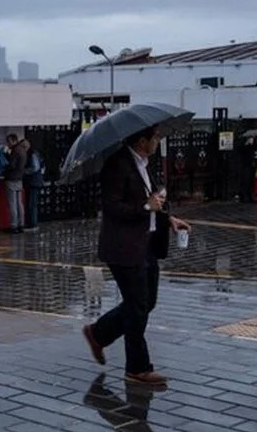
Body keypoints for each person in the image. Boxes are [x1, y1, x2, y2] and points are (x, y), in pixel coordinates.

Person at [80, 126, 190, 387]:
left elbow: (154, 201)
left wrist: (168, 218)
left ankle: (98, 333)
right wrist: (145, 207)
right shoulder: (117, 165)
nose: (158, 142)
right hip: (124, 248)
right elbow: (112, 207)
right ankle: (137, 368)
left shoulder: (144, 164)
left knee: (145, 303)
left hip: (147, 244)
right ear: (142, 140)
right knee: (138, 306)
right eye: (155, 138)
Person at [2, 133, 27, 233]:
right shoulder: (23, 150)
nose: (7, 144)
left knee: (12, 203)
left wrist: (6, 156)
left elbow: (11, 165)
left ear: (13, 140)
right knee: (19, 203)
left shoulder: (15, 151)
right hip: (19, 178)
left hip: (11, 179)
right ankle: (21, 224)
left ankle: (14, 225)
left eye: (8, 142)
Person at [22, 140, 45, 230]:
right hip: (33, 181)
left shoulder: (32, 154)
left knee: (32, 203)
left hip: (33, 182)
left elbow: (35, 168)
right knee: (31, 203)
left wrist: (24, 171)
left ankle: (33, 224)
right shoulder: (33, 153)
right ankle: (31, 223)